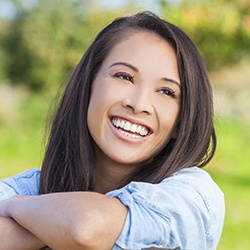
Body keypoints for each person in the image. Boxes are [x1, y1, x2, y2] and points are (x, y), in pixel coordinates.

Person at [0, 11, 224, 249]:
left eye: (166, 92)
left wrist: (16, 206)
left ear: (181, 121)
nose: (138, 104)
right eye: (124, 76)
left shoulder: (192, 196)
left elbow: (87, 227)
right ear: (88, 86)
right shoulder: (30, 187)